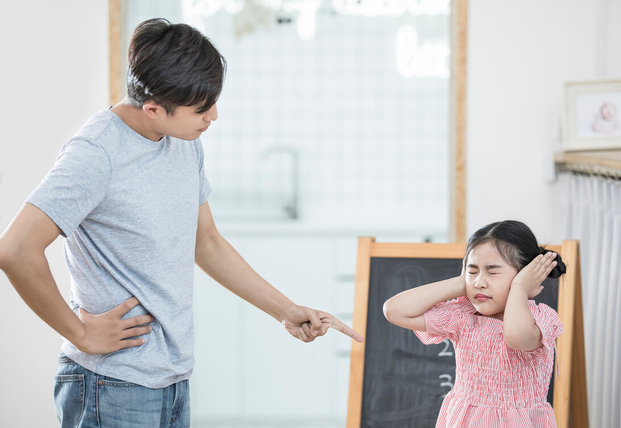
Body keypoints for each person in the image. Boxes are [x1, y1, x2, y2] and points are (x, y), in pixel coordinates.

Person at [0, 18, 362, 428]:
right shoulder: (96, 153)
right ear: (153, 107)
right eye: (201, 109)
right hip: (111, 384)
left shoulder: (184, 142)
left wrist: (285, 310)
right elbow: (15, 250)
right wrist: (81, 334)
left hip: (171, 382)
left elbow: (206, 242)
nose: (214, 116)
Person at [383, 220, 566, 428]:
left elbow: (515, 336)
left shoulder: (541, 318)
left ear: (526, 275)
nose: (480, 281)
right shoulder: (463, 315)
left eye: (492, 272)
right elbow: (394, 310)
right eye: (473, 271)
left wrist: (520, 289)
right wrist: (463, 283)